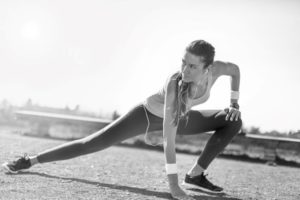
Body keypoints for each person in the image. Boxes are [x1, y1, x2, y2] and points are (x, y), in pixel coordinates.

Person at [2, 40, 242, 200]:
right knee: (91, 143)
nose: (184, 70)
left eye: (192, 66)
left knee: (233, 121)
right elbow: (169, 140)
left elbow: (236, 70)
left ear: (207, 67)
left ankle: (196, 175)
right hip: (147, 117)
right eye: (183, 62)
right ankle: (30, 161)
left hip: (182, 117)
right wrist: (173, 186)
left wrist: (234, 102)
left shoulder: (219, 69)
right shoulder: (174, 84)